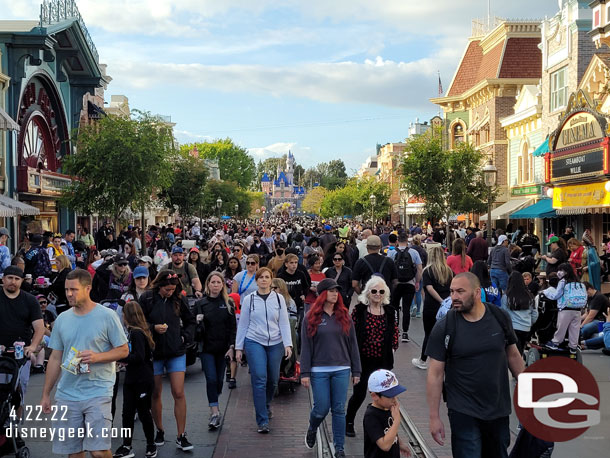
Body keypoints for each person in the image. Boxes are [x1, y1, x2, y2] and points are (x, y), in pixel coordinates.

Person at [426, 272, 524, 458]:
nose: (454, 297)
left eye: (460, 291)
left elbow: (513, 356)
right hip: (463, 409)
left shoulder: (500, 317)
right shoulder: (445, 326)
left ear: (477, 293)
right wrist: (434, 416)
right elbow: (435, 373)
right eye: (452, 291)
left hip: (498, 408)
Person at [40, 269, 129, 457]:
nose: (69, 294)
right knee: (74, 452)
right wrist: (46, 394)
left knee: (99, 451)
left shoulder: (107, 315)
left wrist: (97, 357)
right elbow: (55, 358)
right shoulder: (62, 319)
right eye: (66, 290)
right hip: (67, 394)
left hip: (98, 390)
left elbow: (123, 350)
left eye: (74, 289)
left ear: (87, 288)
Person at [301, 278, 361, 458]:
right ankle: (313, 427)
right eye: (332, 291)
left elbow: (353, 345)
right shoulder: (311, 318)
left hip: (342, 368)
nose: (336, 294)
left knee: (339, 409)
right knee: (321, 407)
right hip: (318, 370)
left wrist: (356, 370)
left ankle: (339, 447)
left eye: (337, 291)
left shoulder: (344, 315)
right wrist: (304, 373)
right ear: (323, 294)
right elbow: (306, 347)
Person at [139, 271, 197, 451]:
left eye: (172, 289)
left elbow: (190, 321)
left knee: (178, 392)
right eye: (167, 289)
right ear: (159, 286)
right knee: (155, 392)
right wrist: (152, 328)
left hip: (176, 351)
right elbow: (138, 322)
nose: (170, 292)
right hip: (154, 352)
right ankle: (160, 430)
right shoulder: (147, 298)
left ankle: (181, 434)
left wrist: (184, 337)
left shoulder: (179, 298)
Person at [235, 267, 293, 433]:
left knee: (273, 380)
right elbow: (243, 324)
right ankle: (262, 420)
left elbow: (283, 322)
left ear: (271, 280)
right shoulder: (249, 300)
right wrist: (239, 347)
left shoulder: (279, 299)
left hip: (275, 342)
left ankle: (266, 404)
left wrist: (287, 344)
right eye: (261, 277)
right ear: (257, 280)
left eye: (267, 277)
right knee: (259, 378)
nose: (264, 280)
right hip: (254, 341)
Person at [345, 276, 398, 438]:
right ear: (368, 293)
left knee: (385, 396)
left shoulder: (390, 311)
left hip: (382, 360)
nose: (377, 294)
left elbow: (394, 331)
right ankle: (349, 421)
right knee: (360, 393)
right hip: (363, 359)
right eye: (374, 291)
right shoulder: (359, 310)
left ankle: (385, 425)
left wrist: (393, 347)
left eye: (381, 291)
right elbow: (350, 333)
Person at [113, 301, 157, 458]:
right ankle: (127, 444)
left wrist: (121, 357)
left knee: (144, 411)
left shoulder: (137, 333)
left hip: (142, 379)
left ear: (128, 315)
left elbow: (139, 356)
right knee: (127, 412)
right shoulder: (134, 332)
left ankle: (150, 444)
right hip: (132, 379)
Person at [195, 272, 237, 430]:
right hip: (206, 348)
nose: (215, 285)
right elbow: (195, 329)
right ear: (208, 284)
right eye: (212, 282)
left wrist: (232, 346)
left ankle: (214, 398)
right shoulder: (201, 303)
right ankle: (214, 412)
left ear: (222, 285)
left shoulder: (228, 303)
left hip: (223, 349)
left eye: (218, 282)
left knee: (219, 381)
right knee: (211, 379)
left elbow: (233, 327)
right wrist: (197, 321)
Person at [0, 265, 45, 405]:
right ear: (3, 279)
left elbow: (39, 328)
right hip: (0, 351)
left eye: (17, 279)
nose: (13, 281)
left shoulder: (30, 300)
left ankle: (16, 423)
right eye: (10, 278)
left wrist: (32, 346)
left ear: (22, 281)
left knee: (19, 391)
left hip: (21, 353)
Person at [412, 246, 452, 370]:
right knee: (446, 334)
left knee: (429, 333)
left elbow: (429, 288)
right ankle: (447, 359)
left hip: (431, 306)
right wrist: (446, 301)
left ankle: (423, 360)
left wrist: (440, 301)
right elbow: (452, 288)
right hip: (447, 307)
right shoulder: (449, 271)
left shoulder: (427, 271)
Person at [363, 369, 410, 458]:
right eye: (390, 396)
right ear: (374, 396)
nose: (394, 399)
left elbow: (389, 430)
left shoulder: (387, 408)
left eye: (395, 394)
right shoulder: (371, 416)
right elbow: (385, 446)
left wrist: (400, 444)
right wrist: (397, 420)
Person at [543, 263, 588, 353]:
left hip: (565, 308)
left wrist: (546, 292)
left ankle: (555, 343)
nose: (558, 272)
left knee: (561, 327)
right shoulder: (578, 282)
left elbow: (556, 295)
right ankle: (573, 347)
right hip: (578, 310)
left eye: (560, 270)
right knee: (574, 329)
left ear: (565, 272)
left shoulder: (563, 281)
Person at [390, 232, 422, 343]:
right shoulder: (414, 252)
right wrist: (417, 282)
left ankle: (395, 329)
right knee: (406, 308)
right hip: (409, 283)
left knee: (394, 307)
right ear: (407, 240)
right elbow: (419, 269)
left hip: (396, 284)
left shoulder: (391, 252)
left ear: (397, 241)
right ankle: (405, 332)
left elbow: (389, 269)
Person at [500, 271, 538, 355]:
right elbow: (534, 313)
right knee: (520, 350)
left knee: (512, 353)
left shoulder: (507, 296)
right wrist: (530, 323)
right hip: (526, 327)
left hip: (513, 327)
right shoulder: (530, 296)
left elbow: (503, 313)